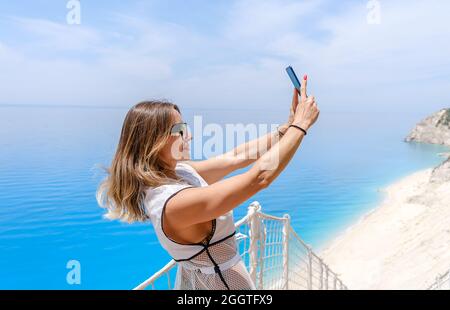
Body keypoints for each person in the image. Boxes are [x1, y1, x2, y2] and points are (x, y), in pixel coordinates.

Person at [97, 75, 319, 289]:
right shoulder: (172, 203)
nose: (189, 136)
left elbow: (237, 156)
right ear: (154, 141)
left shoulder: (178, 173)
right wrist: (301, 127)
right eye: (180, 130)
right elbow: (259, 178)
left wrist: (288, 127)